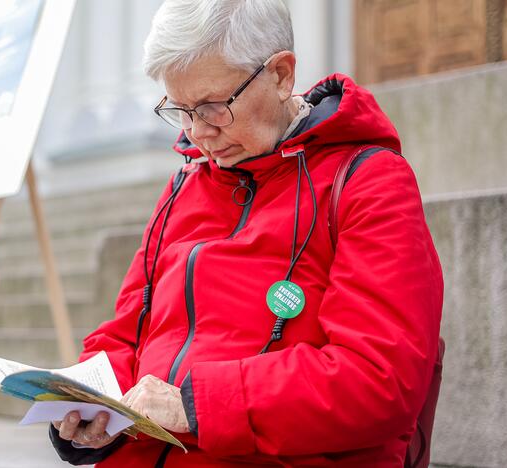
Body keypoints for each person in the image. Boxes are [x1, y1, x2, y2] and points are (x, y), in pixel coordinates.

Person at [48, 0, 443, 466]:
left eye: (213, 107)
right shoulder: (183, 187)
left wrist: (195, 406)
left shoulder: (367, 182)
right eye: (180, 110)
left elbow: (379, 380)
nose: (197, 133)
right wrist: (90, 400)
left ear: (280, 75)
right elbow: (126, 334)